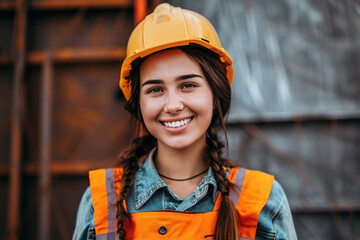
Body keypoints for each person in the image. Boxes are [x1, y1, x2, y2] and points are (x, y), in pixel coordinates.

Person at [73, 3, 297, 240]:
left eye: (188, 85)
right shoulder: (101, 202)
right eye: (155, 89)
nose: (172, 105)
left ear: (215, 93)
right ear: (138, 102)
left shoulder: (262, 200)